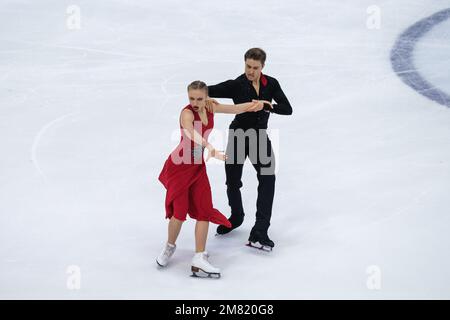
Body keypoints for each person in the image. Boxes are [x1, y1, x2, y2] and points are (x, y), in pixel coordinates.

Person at [156, 80, 269, 278]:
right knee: (179, 213)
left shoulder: (210, 106)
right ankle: (169, 246)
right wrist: (208, 146)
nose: (196, 102)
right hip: (180, 167)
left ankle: (199, 257)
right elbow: (190, 132)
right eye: (192, 98)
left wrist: (256, 104)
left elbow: (235, 108)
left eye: (200, 98)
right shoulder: (187, 113)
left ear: (206, 97)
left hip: (197, 168)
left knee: (204, 209)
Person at [206, 48, 293, 251]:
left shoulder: (271, 84)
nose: (250, 71)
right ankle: (236, 217)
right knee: (233, 180)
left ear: (263, 67)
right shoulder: (237, 84)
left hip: (260, 137)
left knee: (268, 179)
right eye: (248, 66)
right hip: (238, 135)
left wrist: (266, 105)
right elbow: (206, 89)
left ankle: (260, 230)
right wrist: (204, 98)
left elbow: (287, 108)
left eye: (255, 67)